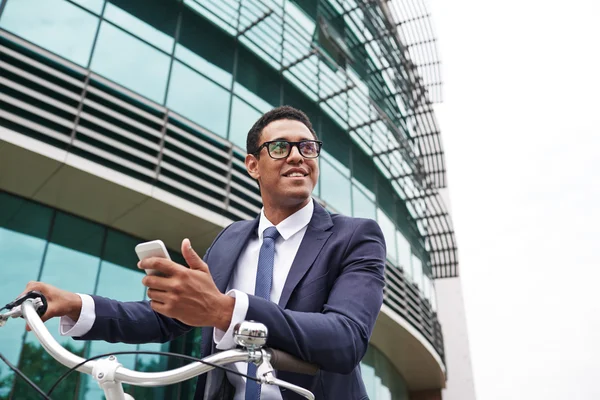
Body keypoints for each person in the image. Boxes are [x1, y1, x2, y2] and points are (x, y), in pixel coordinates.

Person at [22, 106, 386, 399]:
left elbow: (346, 337)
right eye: (280, 147)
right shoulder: (231, 239)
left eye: (307, 147)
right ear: (252, 165)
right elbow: (167, 319)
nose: (297, 156)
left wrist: (228, 311)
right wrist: (75, 304)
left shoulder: (355, 236)